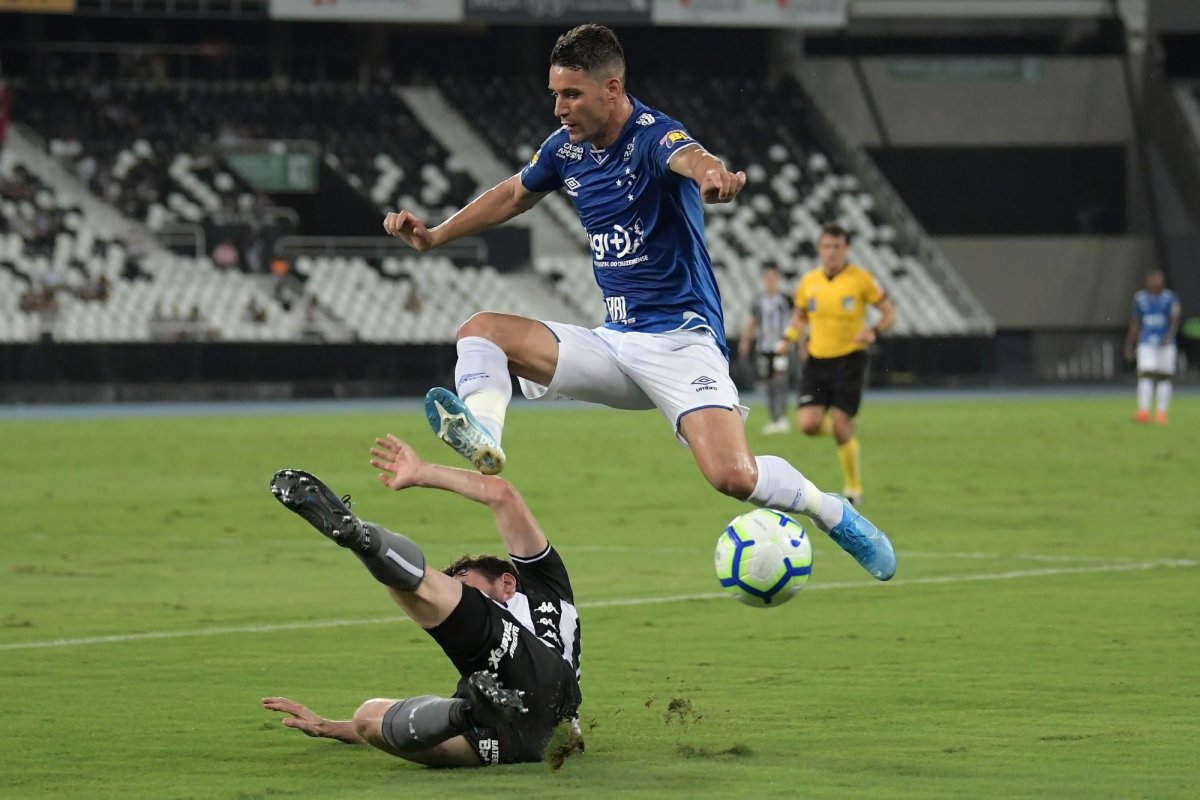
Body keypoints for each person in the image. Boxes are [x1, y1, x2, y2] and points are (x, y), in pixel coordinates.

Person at [382, 24, 894, 581]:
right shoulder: (565, 150)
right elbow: (511, 194)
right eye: (555, 93)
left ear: (612, 88)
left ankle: (832, 512)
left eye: (572, 94)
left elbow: (693, 158)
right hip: (616, 341)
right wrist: (434, 236)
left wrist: (713, 176)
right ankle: (485, 437)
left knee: (732, 477)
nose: (559, 107)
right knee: (479, 330)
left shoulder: (653, 136)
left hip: (682, 342)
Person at [263, 435, 582, 768]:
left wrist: (423, 471)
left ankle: (364, 540)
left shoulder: (544, 586)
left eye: (461, 581)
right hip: (530, 740)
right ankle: (467, 712)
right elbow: (413, 724)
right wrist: (331, 726)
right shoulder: (485, 676)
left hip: (546, 679)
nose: (455, 589)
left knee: (421, 588)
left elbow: (502, 495)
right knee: (367, 720)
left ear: (506, 582)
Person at [778, 223, 895, 507]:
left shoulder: (862, 280)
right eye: (826, 247)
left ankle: (853, 488)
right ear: (819, 249)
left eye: (837, 247)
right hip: (818, 361)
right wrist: (789, 339)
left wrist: (874, 331)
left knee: (842, 428)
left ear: (846, 249)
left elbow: (889, 312)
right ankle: (844, 432)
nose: (831, 252)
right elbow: (800, 317)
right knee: (807, 424)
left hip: (850, 359)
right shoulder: (808, 282)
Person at [738, 262, 794, 435]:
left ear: (778, 279)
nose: (770, 280)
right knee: (769, 383)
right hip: (764, 347)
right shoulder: (759, 301)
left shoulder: (785, 300)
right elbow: (753, 321)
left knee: (780, 379)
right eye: (767, 277)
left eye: (773, 277)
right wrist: (745, 340)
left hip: (781, 347)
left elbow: (795, 321)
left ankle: (783, 417)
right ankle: (774, 418)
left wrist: (797, 343)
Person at [1125, 269, 1182, 425]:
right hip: (1146, 342)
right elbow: (1135, 321)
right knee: (1146, 373)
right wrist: (1129, 344)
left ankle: (1161, 413)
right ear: (1147, 281)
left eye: (1158, 279)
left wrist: (1169, 336)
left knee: (1164, 376)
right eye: (1152, 279)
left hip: (1166, 344)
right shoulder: (1140, 298)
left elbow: (1175, 319)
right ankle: (1143, 411)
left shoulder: (1170, 298)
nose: (1155, 282)